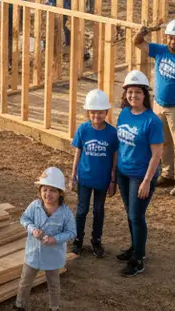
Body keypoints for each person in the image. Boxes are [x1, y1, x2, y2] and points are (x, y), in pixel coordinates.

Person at [133, 19, 175, 197]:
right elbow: (137, 43)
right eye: (171, 38)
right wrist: (143, 31)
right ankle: (167, 174)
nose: (174, 42)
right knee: (164, 142)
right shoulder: (160, 51)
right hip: (160, 105)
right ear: (167, 37)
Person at [114, 70, 164, 277]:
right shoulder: (124, 114)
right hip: (124, 173)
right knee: (131, 214)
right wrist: (114, 173)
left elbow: (156, 155)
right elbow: (119, 145)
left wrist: (146, 181)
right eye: (130, 92)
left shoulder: (152, 121)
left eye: (137, 92)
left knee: (136, 216)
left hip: (140, 176)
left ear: (145, 94)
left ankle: (139, 259)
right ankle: (135, 247)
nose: (133, 96)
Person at [14, 167, 75, 311]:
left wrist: (55, 239)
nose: (48, 194)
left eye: (53, 190)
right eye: (45, 189)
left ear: (60, 193)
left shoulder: (65, 213)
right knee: (25, 281)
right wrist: (31, 229)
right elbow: (24, 218)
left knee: (53, 284)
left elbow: (71, 232)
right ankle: (19, 305)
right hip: (33, 253)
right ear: (40, 190)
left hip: (53, 256)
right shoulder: (34, 206)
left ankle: (54, 307)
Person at [69, 89, 118, 258]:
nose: (96, 115)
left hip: (102, 180)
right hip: (84, 178)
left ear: (106, 112)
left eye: (100, 112)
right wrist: (73, 176)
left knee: (98, 210)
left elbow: (114, 158)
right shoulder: (83, 129)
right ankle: (77, 240)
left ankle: (96, 240)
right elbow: (78, 153)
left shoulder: (112, 133)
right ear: (88, 112)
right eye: (93, 112)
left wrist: (113, 181)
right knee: (82, 210)